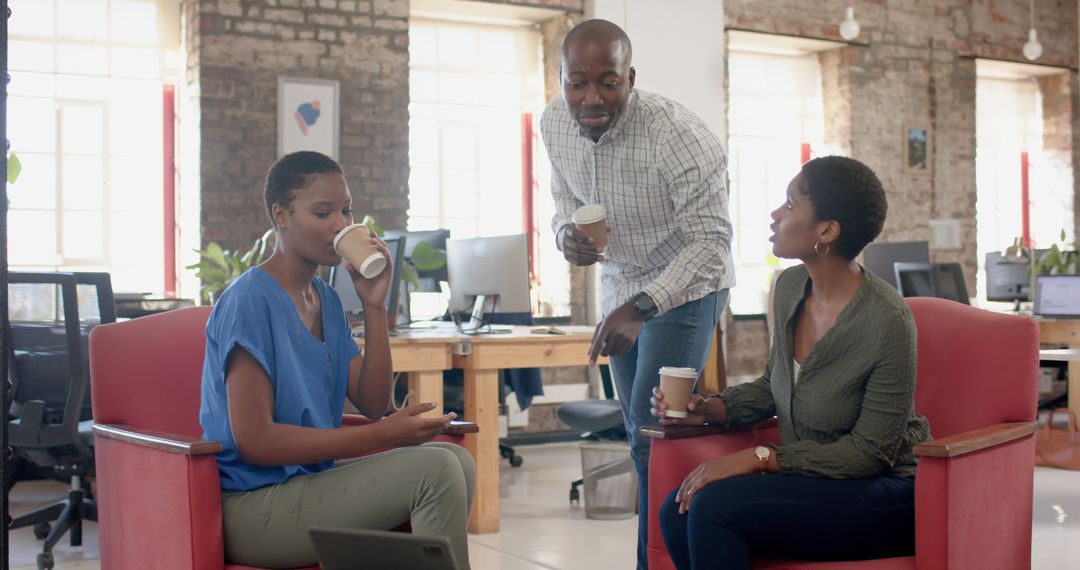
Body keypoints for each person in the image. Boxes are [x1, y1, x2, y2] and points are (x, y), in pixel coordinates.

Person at [651, 156, 932, 569]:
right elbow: (774, 384)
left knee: (712, 508)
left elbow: (869, 454)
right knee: (676, 510)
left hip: (883, 493)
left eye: (789, 203)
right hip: (813, 480)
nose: (775, 214)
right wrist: (710, 408)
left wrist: (758, 458)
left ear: (827, 231)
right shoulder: (789, 287)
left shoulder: (888, 321)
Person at [198, 151, 475, 569]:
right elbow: (254, 440)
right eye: (323, 212)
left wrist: (374, 307)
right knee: (434, 469)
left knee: (458, 461)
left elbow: (374, 400)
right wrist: (383, 436)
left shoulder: (326, 299)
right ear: (282, 215)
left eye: (346, 210)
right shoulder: (248, 300)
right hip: (252, 507)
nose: (341, 224)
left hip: (308, 487)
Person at [539, 19, 734, 568]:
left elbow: (712, 244)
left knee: (655, 434)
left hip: (687, 284)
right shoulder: (554, 122)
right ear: (561, 79)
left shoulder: (680, 137)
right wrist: (565, 237)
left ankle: (661, 559)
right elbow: (560, 201)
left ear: (630, 77)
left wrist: (642, 307)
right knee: (637, 435)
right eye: (577, 83)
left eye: (608, 82)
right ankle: (659, 552)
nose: (591, 98)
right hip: (620, 283)